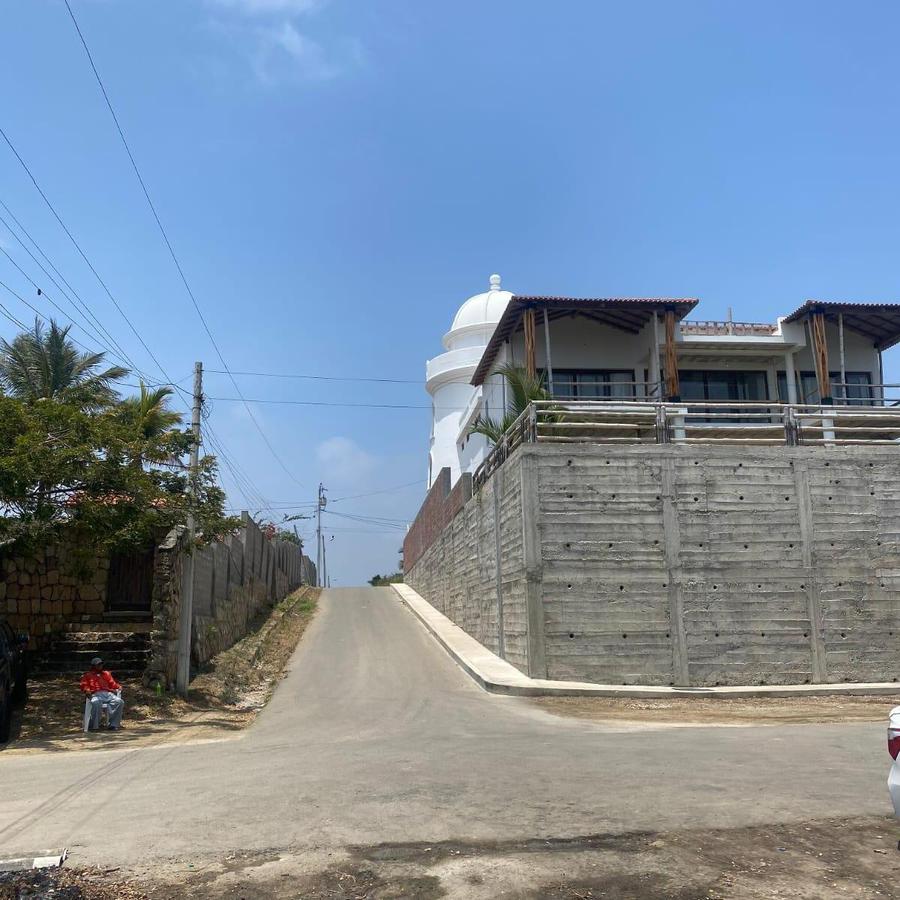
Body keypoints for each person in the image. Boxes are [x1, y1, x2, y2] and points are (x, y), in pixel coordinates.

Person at [80, 657, 124, 731]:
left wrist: (118, 687)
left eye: (101, 664)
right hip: (95, 694)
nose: (100, 666)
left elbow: (112, 684)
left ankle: (113, 725)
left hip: (107, 693)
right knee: (96, 702)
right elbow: (84, 685)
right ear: (93, 666)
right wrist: (87, 690)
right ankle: (94, 726)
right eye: (98, 664)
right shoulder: (88, 675)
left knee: (119, 701)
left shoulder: (106, 674)